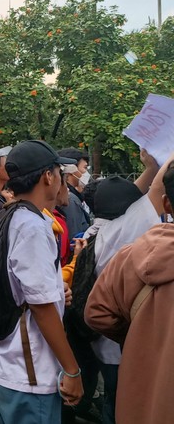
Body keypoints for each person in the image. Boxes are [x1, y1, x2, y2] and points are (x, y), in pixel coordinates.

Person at [0, 140, 83, 423]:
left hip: (13, 363)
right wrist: (72, 370)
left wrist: (57, 293)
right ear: (48, 176)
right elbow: (41, 307)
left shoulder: (15, 215)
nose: (62, 179)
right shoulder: (33, 227)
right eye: (59, 171)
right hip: (29, 370)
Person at [77, 150, 165, 424]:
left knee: (111, 404)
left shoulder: (101, 230)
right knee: (122, 409)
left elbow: (130, 197)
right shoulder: (125, 230)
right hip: (120, 349)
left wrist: (150, 166)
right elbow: (155, 193)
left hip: (102, 346)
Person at [58, 148, 90, 237]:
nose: (86, 173)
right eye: (85, 168)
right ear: (71, 169)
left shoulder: (73, 197)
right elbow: (75, 237)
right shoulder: (70, 200)